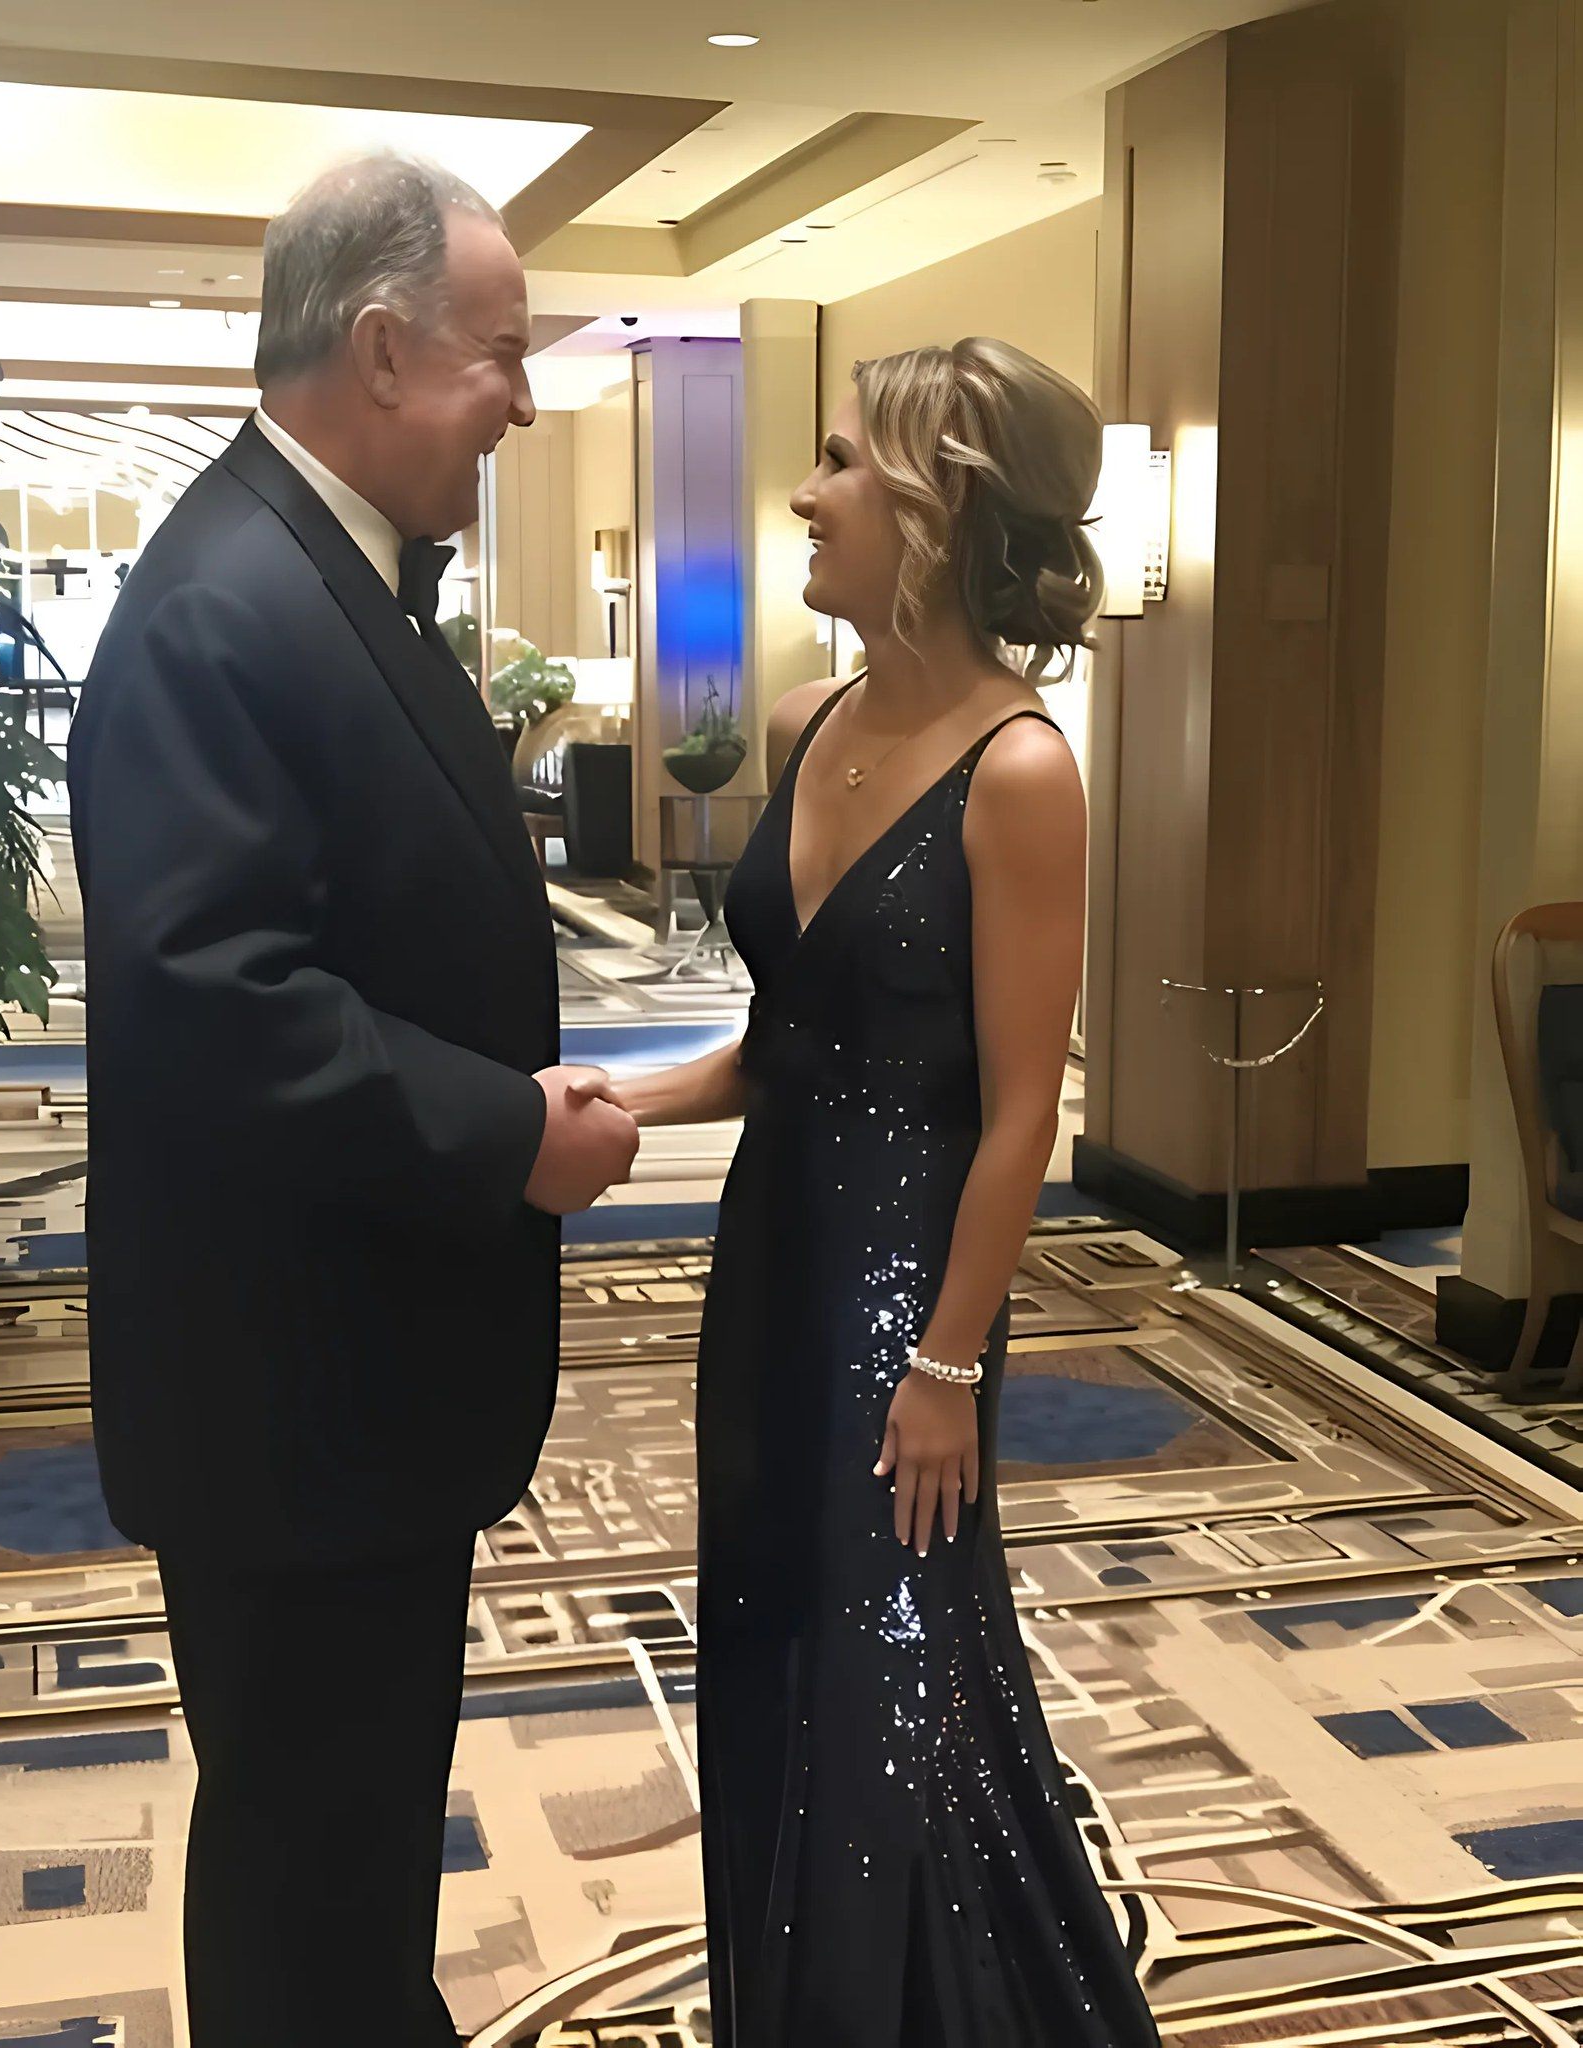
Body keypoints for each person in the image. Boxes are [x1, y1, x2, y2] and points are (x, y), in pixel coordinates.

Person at [67, 153, 637, 2047]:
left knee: (345, 1852)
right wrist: (508, 1136)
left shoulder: (319, 572)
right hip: (289, 1397)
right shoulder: (222, 604)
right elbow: (217, 1005)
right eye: (503, 355)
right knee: (309, 1868)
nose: (526, 401)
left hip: (347, 1379)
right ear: (383, 350)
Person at [615, 340, 1160, 2043]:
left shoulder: (1020, 771)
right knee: (770, 1638)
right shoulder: (804, 721)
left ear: (938, 512)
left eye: (843, 462)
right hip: (769, 1266)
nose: (804, 493)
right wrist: (611, 1101)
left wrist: (944, 1364)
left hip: (904, 1312)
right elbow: (783, 1049)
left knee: (897, 1690)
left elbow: (1018, 1115)